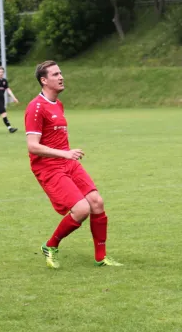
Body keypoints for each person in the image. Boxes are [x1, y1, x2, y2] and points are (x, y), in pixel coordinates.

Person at [25, 60, 122, 269]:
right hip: (49, 167)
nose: (61, 77)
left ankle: (101, 257)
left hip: (67, 162)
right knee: (81, 209)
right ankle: (50, 245)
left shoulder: (58, 104)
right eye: (55, 74)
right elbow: (32, 146)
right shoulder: (35, 107)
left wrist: (66, 155)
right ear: (44, 80)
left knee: (97, 202)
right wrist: (65, 153)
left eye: (61, 73)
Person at [0, 66, 19, 134]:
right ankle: (10, 128)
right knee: (3, 112)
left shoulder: (4, 81)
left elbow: (8, 90)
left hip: (2, 99)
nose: (1, 73)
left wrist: (13, 97)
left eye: (2, 72)